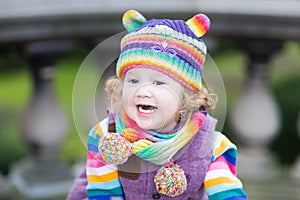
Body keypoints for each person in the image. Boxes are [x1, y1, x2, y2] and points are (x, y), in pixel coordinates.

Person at [68, 10, 248, 200]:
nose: (142, 91)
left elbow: (227, 194)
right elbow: (104, 194)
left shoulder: (211, 144)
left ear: (186, 96)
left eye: (159, 83)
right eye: (133, 81)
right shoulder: (107, 137)